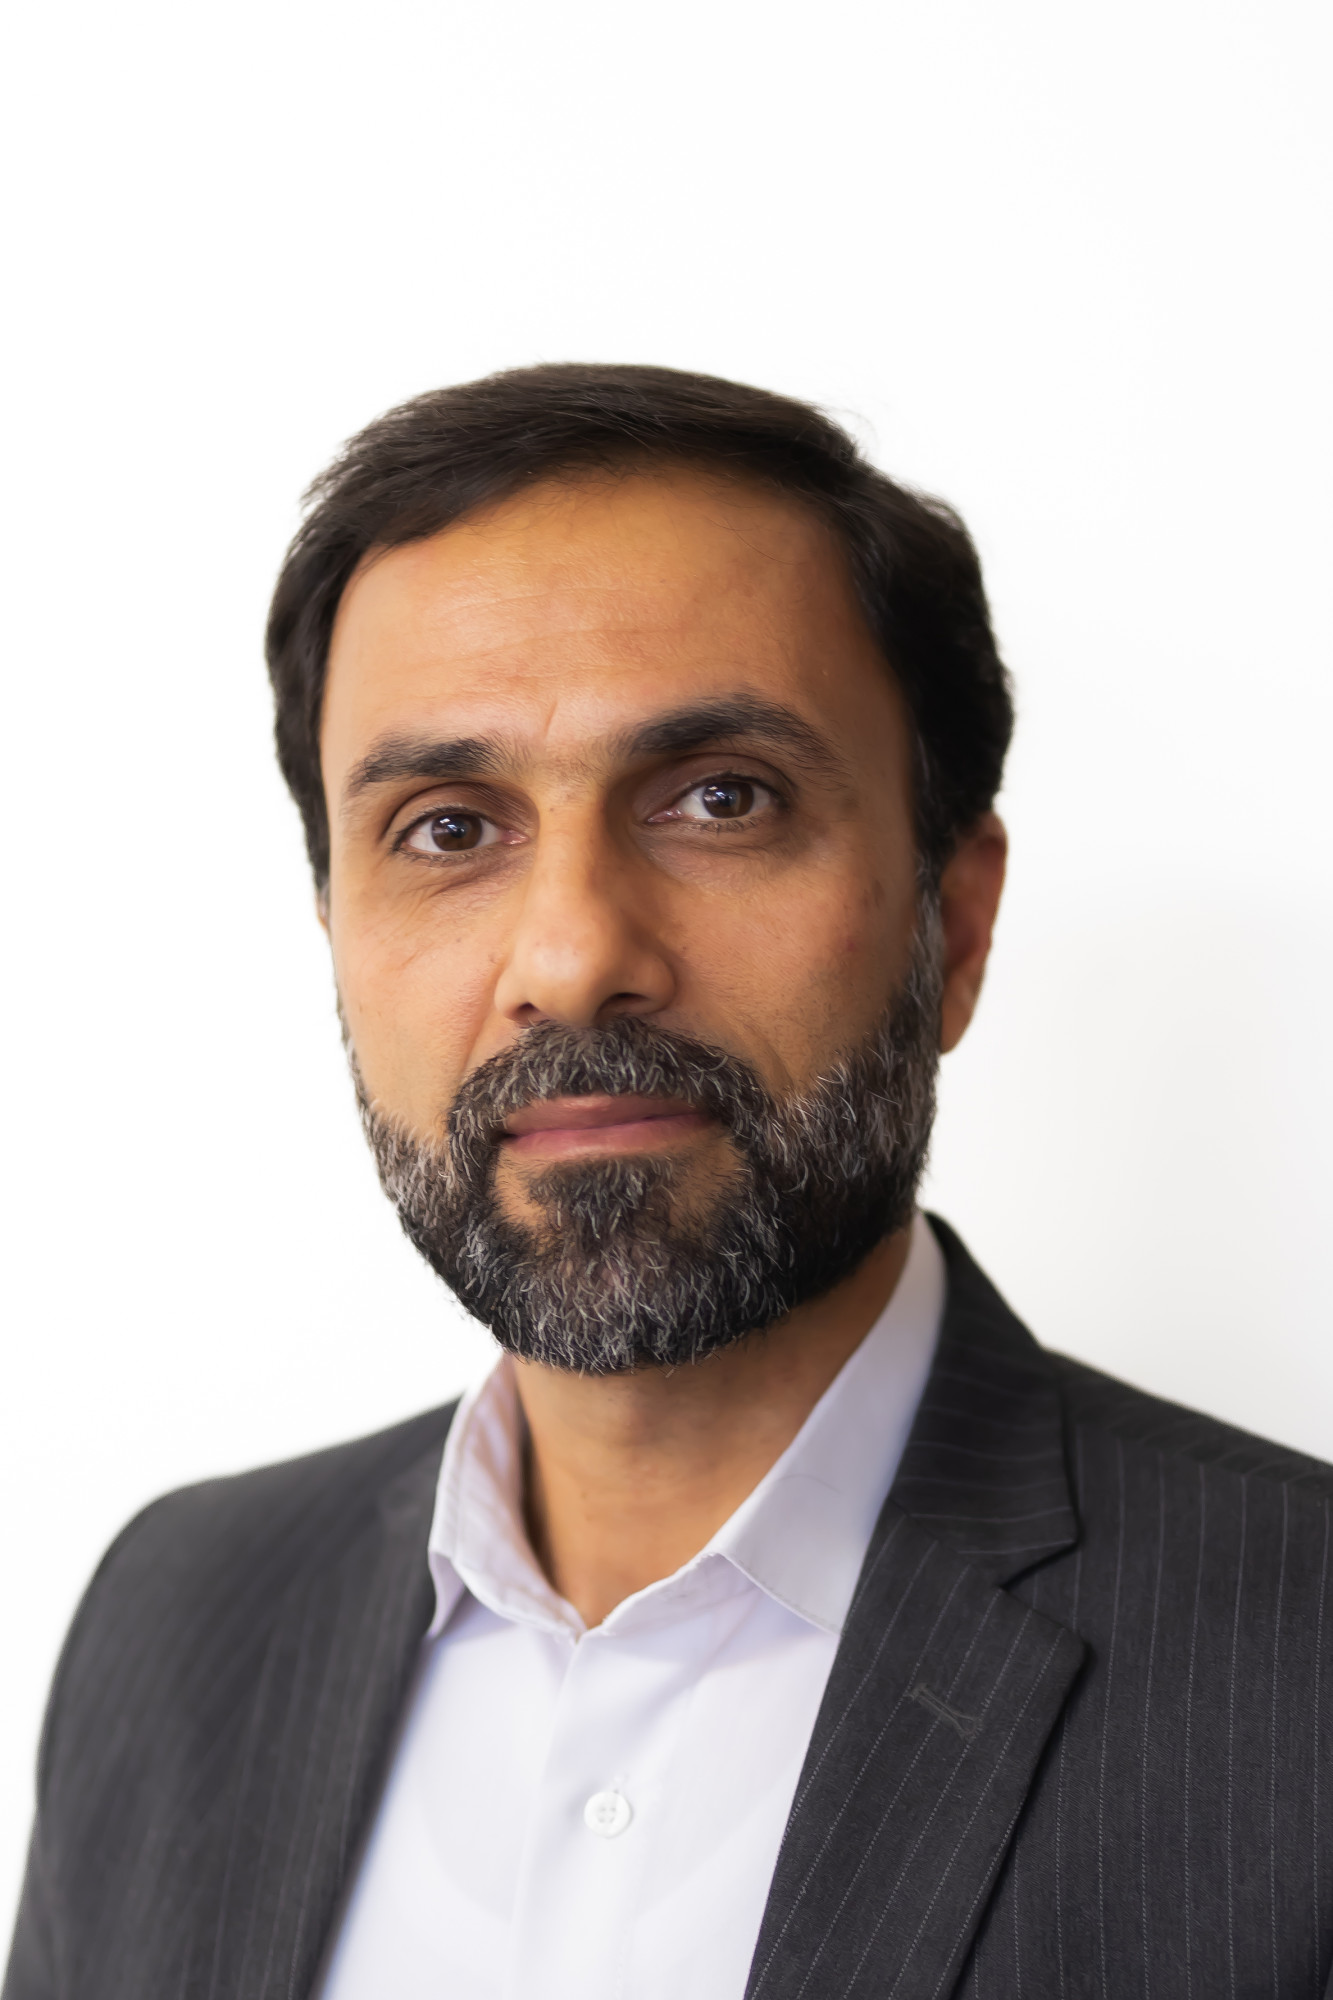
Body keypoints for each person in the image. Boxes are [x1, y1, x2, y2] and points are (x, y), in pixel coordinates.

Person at [5, 364, 1331, 2000]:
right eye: (446, 829)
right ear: (335, 928)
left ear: (955, 922)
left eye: (721, 800)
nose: (571, 959)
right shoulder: (175, 1618)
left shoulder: (1301, 1671)